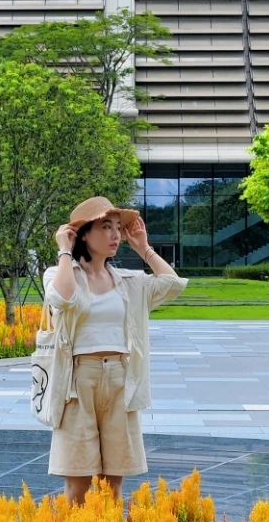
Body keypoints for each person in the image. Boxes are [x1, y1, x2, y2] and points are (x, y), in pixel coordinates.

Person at [43, 195, 187, 505]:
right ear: (83, 233)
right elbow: (62, 300)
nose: (115, 235)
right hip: (78, 383)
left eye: (118, 228)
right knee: (78, 484)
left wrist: (143, 248)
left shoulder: (128, 281)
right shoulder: (59, 274)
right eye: (106, 227)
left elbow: (172, 285)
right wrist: (65, 250)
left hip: (121, 379)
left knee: (113, 486)